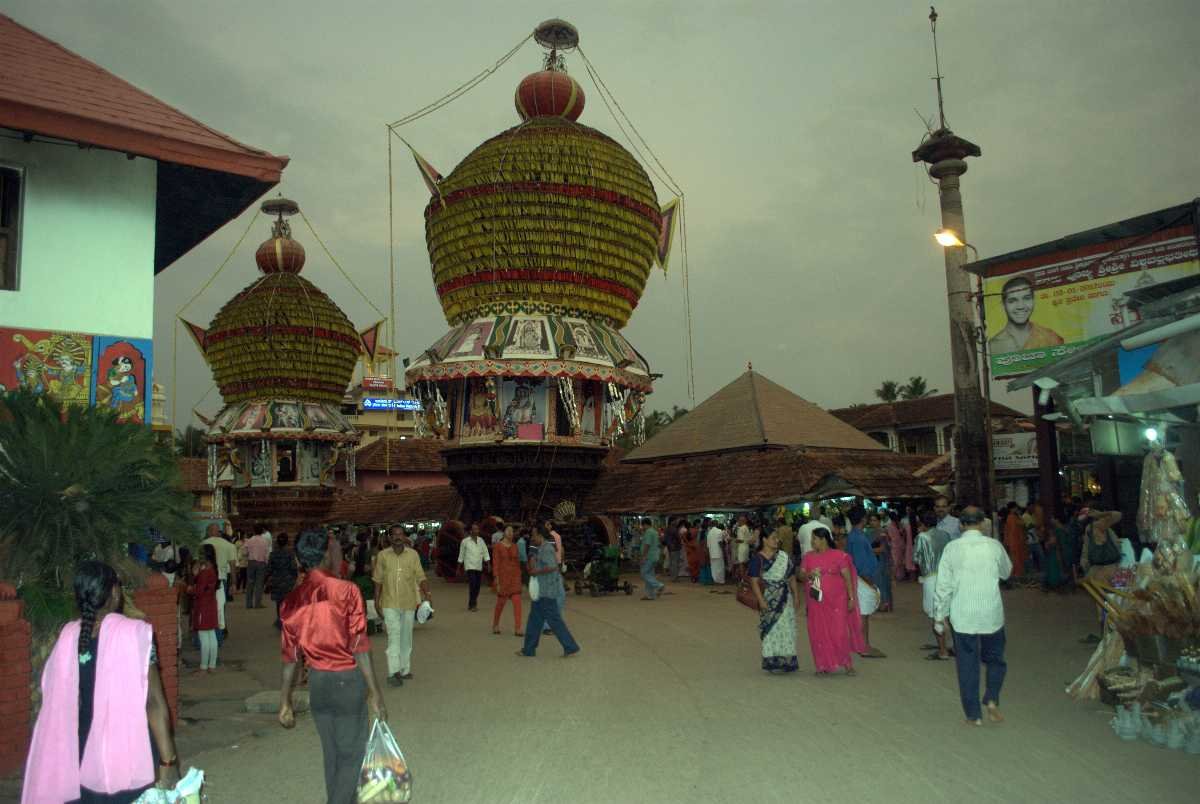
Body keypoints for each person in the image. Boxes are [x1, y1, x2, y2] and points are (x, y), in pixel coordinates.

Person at [22, 561, 180, 802]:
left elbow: (55, 703)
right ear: (115, 592)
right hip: (128, 752)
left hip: (81, 752)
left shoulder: (68, 636)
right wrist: (168, 762)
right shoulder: (135, 633)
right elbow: (154, 702)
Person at [279, 530, 388, 804]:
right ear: (327, 554)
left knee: (333, 755)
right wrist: (375, 692)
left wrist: (285, 701)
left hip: (318, 683)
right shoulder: (346, 590)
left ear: (299, 559)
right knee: (352, 755)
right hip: (347, 681)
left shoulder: (291, 600)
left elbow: (290, 657)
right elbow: (359, 645)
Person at [933, 507, 1012, 726]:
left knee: (967, 665)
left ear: (960, 524)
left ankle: (973, 715)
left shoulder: (952, 549)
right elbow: (1006, 572)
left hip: (963, 616)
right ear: (982, 523)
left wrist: (940, 616)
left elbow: (943, 587)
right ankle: (992, 699)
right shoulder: (994, 546)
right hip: (991, 615)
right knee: (996, 660)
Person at [373, 525, 431, 686]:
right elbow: (377, 580)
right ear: (389, 537)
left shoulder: (413, 555)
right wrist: (376, 601)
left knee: (406, 637)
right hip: (389, 602)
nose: (398, 537)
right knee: (394, 636)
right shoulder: (382, 556)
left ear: (405, 537)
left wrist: (428, 594)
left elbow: (420, 576)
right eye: (394, 534)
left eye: (400, 534)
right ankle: (393, 672)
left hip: (409, 602)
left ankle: (405, 669)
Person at [798, 527, 857, 676]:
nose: (812, 542)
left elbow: (847, 578)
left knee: (839, 632)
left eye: (814, 539)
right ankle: (822, 665)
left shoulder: (839, 556)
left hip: (837, 600)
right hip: (816, 601)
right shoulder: (808, 557)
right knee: (818, 632)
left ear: (823, 539)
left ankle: (846, 663)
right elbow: (801, 575)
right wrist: (810, 575)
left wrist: (851, 598)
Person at [517, 526, 580, 658]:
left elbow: (552, 566)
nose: (532, 538)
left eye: (534, 535)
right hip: (542, 591)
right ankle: (529, 650)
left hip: (547, 592)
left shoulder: (546, 549)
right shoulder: (541, 548)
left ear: (540, 535)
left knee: (553, 621)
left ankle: (570, 646)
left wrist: (536, 571)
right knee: (535, 621)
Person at [747, 528, 801, 674]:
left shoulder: (784, 556)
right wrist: (761, 600)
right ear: (764, 539)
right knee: (771, 629)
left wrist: (796, 596)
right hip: (769, 598)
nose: (776, 541)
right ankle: (771, 660)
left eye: (777, 538)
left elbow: (791, 577)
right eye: (773, 538)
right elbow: (754, 581)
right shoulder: (757, 558)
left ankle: (787, 660)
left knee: (787, 628)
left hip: (785, 597)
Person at [845, 507, 886, 658]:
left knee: (863, 613)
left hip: (859, 577)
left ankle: (863, 644)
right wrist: (871, 585)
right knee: (863, 613)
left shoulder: (856, 535)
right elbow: (861, 566)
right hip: (862, 578)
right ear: (863, 519)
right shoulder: (858, 538)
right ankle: (864, 646)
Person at [987, 275, 1064, 354]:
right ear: (1003, 305)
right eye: (1012, 301)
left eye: (1026, 298)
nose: (1021, 306)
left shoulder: (1050, 338)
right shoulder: (993, 345)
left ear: (1033, 300)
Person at [914, 511, 952, 660]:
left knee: (936, 614)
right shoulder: (945, 535)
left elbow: (916, 558)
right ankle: (950, 646)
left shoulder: (922, 537)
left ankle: (942, 650)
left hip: (931, 578)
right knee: (947, 612)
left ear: (922, 524)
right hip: (947, 577)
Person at [200, 522, 238, 636]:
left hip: (205, 578)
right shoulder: (229, 545)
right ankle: (222, 626)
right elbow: (232, 566)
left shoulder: (203, 544)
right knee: (221, 604)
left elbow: (198, 564)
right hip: (222, 578)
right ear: (219, 532)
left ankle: (209, 627)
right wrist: (234, 583)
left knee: (207, 604)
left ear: (208, 531)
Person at [189, 544, 220, 673]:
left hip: (203, 605)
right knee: (211, 635)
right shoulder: (212, 568)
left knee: (204, 636)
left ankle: (203, 666)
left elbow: (199, 590)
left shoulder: (205, 571)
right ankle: (211, 665)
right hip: (211, 603)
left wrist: (191, 589)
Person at [492, 526, 524, 636]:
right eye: (508, 531)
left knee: (517, 603)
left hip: (515, 578)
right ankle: (495, 624)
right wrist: (496, 579)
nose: (511, 533)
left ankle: (518, 628)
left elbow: (518, 563)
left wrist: (519, 577)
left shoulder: (515, 546)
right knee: (500, 603)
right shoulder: (498, 546)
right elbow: (495, 563)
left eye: (512, 531)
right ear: (503, 533)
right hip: (503, 579)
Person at [266, 533, 300, 628]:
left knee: (279, 601)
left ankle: (280, 620)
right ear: (287, 542)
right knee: (288, 601)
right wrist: (295, 577)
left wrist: (268, 578)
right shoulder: (290, 553)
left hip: (276, 580)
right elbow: (293, 567)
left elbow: (269, 569)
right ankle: (287, 619)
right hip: (288, 580)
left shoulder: (273, 554)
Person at [457, 523, 491, 612]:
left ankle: (471, 603)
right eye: (475, 529)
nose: (477, 531)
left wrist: (488, 564)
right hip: (469, 566)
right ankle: (473, 604)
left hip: (478, 566)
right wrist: (458, 568)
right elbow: (461, 555)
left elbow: (485, 553)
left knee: (477, 586)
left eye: (477, 529)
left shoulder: (481, 541)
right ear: (470, 531)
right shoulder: (465, 542)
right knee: (473, 584)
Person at [244, 526, 270, 609]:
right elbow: (267, 553)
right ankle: (258, 603)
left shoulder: (249, 540)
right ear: (262, 532)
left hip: (251, 562)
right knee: (259, 584)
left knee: (250, 583)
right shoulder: (265, 541)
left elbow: (245, 552)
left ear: (254, 531)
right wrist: (267, 562)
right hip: (261, 563)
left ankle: (248, 604)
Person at [639, 518, 666, 600]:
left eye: (642, 525)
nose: (642, 527)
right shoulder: (654, 532)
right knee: (650, 575)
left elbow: (647, 545)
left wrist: (643, 557)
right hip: (655, 556)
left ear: (645, 524)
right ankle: (650, 595)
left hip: (649, 556)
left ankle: (659, 585)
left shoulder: (648, 532)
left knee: (644, 573)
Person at [1002, 503, 1028, 580]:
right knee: (1016, 558)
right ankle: (1016, 574)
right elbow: (1012, 531)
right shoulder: (1011, 517)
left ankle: (1018, 574)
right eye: (1015, 508)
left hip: (1017, 541)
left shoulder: (1015, 517)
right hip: (1014, 541)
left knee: (1019, 558)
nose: (1016, 510)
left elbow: (1023, 524)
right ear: (1011, 509)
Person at [705, 518, 727, 584]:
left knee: (713, 568)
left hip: (711, 552)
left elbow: (708, 545)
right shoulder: (719, 531)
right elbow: (720, 542)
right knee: (720, 567)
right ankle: (720, 581)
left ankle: (715, 580)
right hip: (718, 552)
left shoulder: (709, 533)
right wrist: (723, 550)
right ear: (717, 524)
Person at [733, 514, 752, 580]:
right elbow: (749, 539)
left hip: (741, 547)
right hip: (746, 547)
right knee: (745, 563)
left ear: (741, 521)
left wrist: (733, 539)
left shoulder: (741, 529)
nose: (738, 522)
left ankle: (742, 579)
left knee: (741, 563)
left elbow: (740, 540)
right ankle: (746, 577)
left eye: (739, 520)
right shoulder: (746, 527)